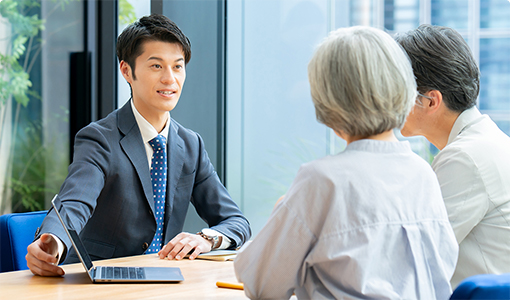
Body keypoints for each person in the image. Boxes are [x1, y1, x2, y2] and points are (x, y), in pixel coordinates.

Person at [234, 26, 458, 299]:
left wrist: (283, 210)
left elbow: (261, 284)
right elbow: (441, 271)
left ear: (329, 100)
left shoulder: (322, 180)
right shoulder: (422, 174)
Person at [26, 14, 251, 277]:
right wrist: (54, 240)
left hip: (163, 281)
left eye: (177, 67)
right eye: (156, 66)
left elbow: (236, 221)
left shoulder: (191, 145)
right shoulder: (99, 139)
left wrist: (206, 239)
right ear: (126, 71)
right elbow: (74, 202)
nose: (170, 79)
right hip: (102, 284)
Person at [395, 24, 510, 288]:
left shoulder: (466, 159)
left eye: (395, 90)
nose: (387, 101)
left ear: (431, 101)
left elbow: (411, 259)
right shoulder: (487, 143)